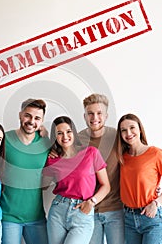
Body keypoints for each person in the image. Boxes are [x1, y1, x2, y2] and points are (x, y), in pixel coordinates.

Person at [49, 94, 124, 244]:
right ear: (84, 116)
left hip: (114, 208)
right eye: (90, 113)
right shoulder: (77, 138)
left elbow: (135, 160)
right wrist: (49, 145)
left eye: (99, 113)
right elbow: (64, 153)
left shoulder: (118, 137)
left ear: (106, 115)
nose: (94, 117)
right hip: (85, 209)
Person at [43, 116, 110, 244]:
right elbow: (44, 185)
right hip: (58, 211)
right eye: (59, 133)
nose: (65, 136)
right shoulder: (52, 159)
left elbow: (105, 185)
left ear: (74, 132)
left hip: (82, 211)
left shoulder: (91, 153)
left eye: (68, 131)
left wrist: (91, 202)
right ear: (55, 137)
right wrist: (44, 153)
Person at [115, 113, 162, 244]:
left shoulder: (155, 153)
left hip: (151, 219)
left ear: (140, 129)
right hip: (129, 219)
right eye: (123, 130)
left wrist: (156, 203)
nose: (128, 133)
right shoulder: (121, 157)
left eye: (132, 127)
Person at [0, 98, 51, 244]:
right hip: (8, 216)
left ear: (42, 121)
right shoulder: (4, 139)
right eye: (28, 115)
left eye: (37, 118)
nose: (31, 121)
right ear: (20, 115)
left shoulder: (46, 144)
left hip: (36, 217)